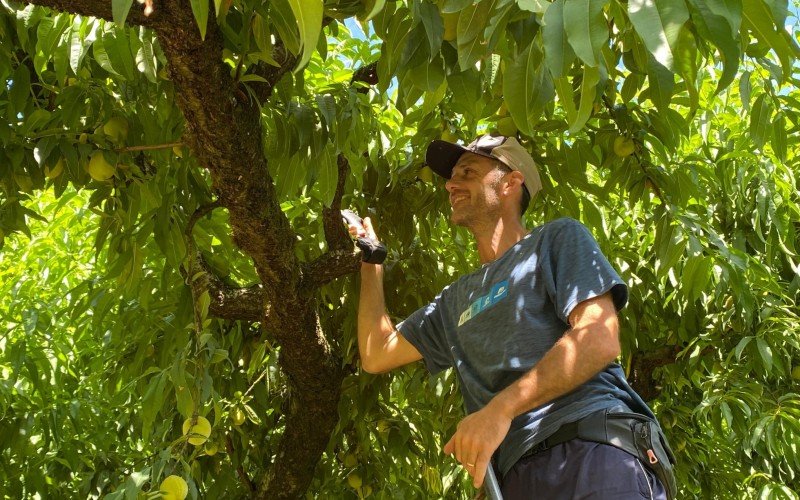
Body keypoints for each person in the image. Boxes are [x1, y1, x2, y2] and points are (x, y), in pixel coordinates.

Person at [352, 134, 672, 499]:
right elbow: (377, 353)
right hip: (515, 476)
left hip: (590, 449)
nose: (451, 184)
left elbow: (598, 337)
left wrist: (499, 411)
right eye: (451, 177)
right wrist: (371, 261)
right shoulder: (454, 301)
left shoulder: (555, 240)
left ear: (510, 183)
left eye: (468, 172)